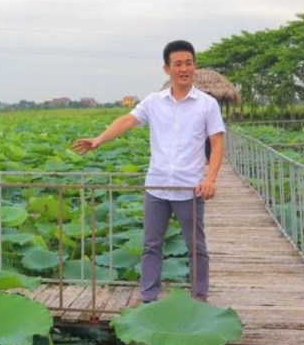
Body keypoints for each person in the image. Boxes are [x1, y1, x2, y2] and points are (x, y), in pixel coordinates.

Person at [71, 40, 225, 303]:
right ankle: (148, 296)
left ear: (194, 66)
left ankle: (199, 297)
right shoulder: (154, 102)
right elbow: (127, 121)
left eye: (188, 63)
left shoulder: (207, 104)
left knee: (196, 247)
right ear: (167, 69)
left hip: (190, 188)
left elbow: (217, 141)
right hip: (156, 187)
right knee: (151, 245)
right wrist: (99, 140)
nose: (184, 68)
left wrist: (210, 179)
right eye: (178, 64)